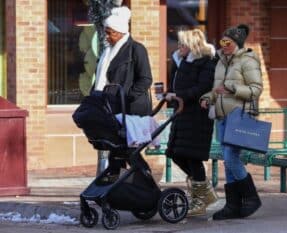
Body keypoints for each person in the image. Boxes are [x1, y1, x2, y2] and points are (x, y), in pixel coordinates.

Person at [200, 24, 263, 220]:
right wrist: (207, 97)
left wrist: (234, 88)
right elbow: (218, 89)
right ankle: (232, 205)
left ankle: (251, 198)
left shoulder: (247, 61)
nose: (224, 45)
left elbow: (256, 89)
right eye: (222, 41)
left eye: (228, 42)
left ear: (237, 43)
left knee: (230, 158)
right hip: (222, 117)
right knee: (228, 162)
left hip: (239, 117)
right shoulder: (221, 61)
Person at [93, 6, 153, 173]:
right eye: (106, 32)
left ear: (119, 32)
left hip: (131, 111)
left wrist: (126, 96)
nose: (107, 36)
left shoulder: (136, 49)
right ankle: (115, 190)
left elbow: (146, 79)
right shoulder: (107, 53)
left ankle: (144, 183)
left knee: (127, 152)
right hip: (112, 109)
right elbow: (101, 79)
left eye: (110, 32)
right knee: (118, 152)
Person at [165, 29, 217, 216]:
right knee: (175, 153)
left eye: (182, 44)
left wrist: (179, 95)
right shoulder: (181, 61)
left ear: (193, 45)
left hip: (197, 116)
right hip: (182, 114)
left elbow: (202, 87)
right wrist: (169, 95)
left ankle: (200, 200)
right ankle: (205, 191)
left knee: (192, 157)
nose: (179, 47)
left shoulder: (207, 62)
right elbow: (176, 84)